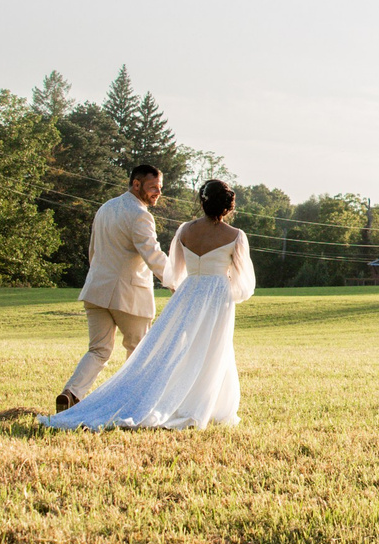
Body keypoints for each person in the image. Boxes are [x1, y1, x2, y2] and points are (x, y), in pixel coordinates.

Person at [46, 177, 254, 429]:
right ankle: (194, 401)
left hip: (186, 292)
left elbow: (174, 272)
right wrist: (225, 285)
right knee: (213, 348)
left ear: (203, 202)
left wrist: (186, 286)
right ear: (227, 205)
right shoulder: (236, 235)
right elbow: (243, 282)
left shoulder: (185, 230)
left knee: (161, 349)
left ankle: (80, 393)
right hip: (217, 295)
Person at [54, 163, 170, 414]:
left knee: (98, 350)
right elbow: (153, 255)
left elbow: (93, 250)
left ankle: (71, 393)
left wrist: (98, 276)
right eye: (153, 188)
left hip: (96, 289)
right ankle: (129, 404)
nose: (158, 193)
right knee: (138, 352)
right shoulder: (140, 215)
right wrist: (176, 282)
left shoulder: (105, 207)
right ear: (136, 184)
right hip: (129, 295)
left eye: (160, 188)